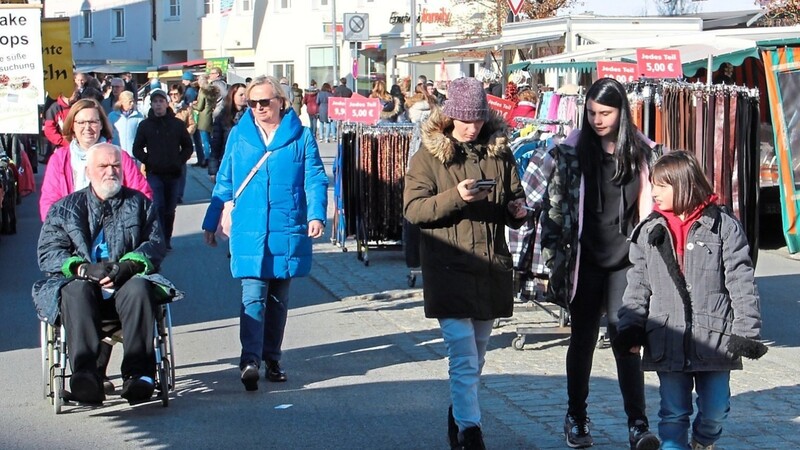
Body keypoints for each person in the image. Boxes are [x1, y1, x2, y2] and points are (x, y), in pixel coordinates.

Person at [403, 77, 527, 450]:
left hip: (489, 266)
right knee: (462, 352)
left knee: (478, 354)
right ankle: (471, 432)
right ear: (451, 116)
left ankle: (459, 415)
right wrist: (456, 196)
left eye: (477, 120)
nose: (471, 128)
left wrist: (517, 211)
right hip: (448, 266)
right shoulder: (428, 156)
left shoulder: (500, 152)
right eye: (465, 120)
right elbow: (413, 210)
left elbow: (514, 198)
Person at [615, 150, 767, 450]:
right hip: (666, 337)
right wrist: (630, 329)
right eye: (653, 184)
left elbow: (741, 281)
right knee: (672, 414)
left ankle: (703, 440)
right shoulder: (649, 230)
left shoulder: (723, 226)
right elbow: (638, 285)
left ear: (683, 184)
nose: (654, 192)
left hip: (715, 339)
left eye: (662, 185)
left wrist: (746, 332)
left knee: (715, 409)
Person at [540, 77, 660, 450]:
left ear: (622, 111)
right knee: (583, 339)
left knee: (627, 340)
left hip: (627, 261)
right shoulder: (570, 153)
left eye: (605, 113)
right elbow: (553, 210)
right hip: (583, 260)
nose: (597, 119)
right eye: (591, 112)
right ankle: (576, 416)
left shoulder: (644, 153)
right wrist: (553, 260)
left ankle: (637, 423)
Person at [201, 75, 328, 392]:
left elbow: (314, 178)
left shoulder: (301, 137)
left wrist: (316, 215)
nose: (257, 108)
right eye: (252, 102)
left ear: (281, 102)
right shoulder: (239, 136)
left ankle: (272, 357)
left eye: (264, 102)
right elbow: (226, 180)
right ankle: (250, 360)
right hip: (250, 227)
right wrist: (211, 219)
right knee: (253, 294)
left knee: (278, 299)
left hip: (287, 225)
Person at [33, 142, 181, 405]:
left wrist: (131, 264)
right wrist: (81, 267)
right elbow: (49, 252)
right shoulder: (65, 209)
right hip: (83, 287)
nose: (110, 171)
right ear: (88, 170)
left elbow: (156, 243)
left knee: (139, 288)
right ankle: (86, 375)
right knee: (75, 289)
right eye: (103, 166)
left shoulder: (140, 204)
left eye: (116, 165)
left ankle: (139, 375)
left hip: (125, 285)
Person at [40, 98, 151, 223]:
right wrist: (61, 231)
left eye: (93, 122)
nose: (87, 127)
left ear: (101, 124)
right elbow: (49, 202)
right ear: (72, 126)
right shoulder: (59, 160)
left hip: (116, 231)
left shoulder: (119, 156)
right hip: (71, 232)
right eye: (81, 122)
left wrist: (129, 227)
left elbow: (142, 195)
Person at [132, 88, 194, 250]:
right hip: (154, 173)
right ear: (151, 105)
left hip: (174, 173)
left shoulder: (177, 124)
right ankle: (158, 239)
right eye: (155, 102)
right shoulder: (145, 125)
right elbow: (137, 149)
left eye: (161, 101)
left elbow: (188, 146)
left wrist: (179, 160)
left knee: (169, 209)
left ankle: (167, 238)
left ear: (167, 104)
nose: (158, 105)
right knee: (158, 205)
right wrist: (148, 160)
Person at [209, 82, 247, 181]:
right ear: (232, 96)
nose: (244, 97)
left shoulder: (251, 116)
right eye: (241, 94)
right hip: (227, 160)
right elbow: (216, 143)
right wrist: (213, 170)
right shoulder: (222, 117)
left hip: (246, 162)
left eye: (246, 94)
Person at [168, 84, 198, 204]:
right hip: (167, 143)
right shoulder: (167, 107)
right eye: (171, 94)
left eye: (176, 94)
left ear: (181, 95)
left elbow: (192, 124)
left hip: (181, 144)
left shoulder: (186, 109)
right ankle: (170, 192)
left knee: (181, 169)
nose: (173, 96)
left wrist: (185, 133)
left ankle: (179, 194)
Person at [191, 74, 220, 169]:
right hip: (212, 115)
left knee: (205, 140)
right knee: (211, 139)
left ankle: (207, 159)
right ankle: (213, 157)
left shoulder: (203, 91)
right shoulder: (213, 90)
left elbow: (200, 107)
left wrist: (192, 105)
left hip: (204, 117)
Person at [108, 91, 146, 160]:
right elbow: (108, 134)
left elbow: (143, 136)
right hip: (117, 155)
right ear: (122, 102)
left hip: (134, 156)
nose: (132, 103)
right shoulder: (112, 116)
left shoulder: (139, 116)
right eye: (129, 101)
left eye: (133, 101)